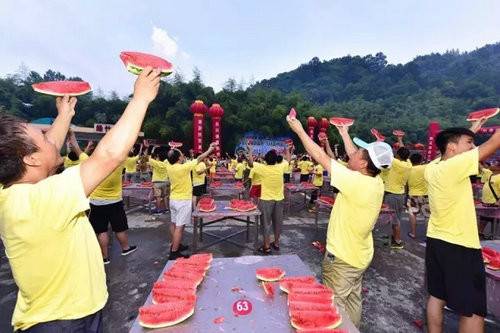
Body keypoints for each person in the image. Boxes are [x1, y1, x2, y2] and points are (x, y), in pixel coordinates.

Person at [0, 67, 161, 332]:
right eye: (42, 135)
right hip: (65, 321)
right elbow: (109, 154)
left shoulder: (12, 194)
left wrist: (65, 115)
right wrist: (140, 99)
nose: (50, 135)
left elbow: (48, 146)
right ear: (30, 159)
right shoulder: (41, 200)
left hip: (54, 314)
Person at [287, 113, 393, 328]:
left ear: (363, 163)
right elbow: (357, 156)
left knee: (334, 308)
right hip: (360, 256)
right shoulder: (376, 180)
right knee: (353, 301)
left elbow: (319, 154)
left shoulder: (354, 181)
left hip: (343, 259)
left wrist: (298, 129)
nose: (350, 155)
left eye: (357, 154)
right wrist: (344, 133)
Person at [424, 121, 500, 333]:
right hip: (460, 245)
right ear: (452, 147)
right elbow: (495, 141)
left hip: (436, 241)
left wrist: (472, 129)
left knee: (437, 296)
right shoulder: (456, 166)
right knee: (474, 310)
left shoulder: (432, 167)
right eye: (469, 143)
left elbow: (451, 149)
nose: (473, 147)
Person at [166, 143, 216, 260]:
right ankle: (174, 252)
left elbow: (170, 156)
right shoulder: (183, 167)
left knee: (174, 223)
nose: (183, 155)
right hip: (182, 200)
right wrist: (209, 149)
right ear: (179, 158)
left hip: (173, 199)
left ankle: (176, 244)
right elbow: (198, 159)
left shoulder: (169, 166)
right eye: (181, 154)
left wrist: (173, 149)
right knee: (180, 226)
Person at [88, 162, 137, 264]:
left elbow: (80, 153)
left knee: (101, 231)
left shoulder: (92, 163)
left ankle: (105, 257)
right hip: (115, 202)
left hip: (96, 202)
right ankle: (125, 248)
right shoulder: (118, 165)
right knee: (119, 228)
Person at [247, 145, 289, 254]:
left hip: (266, 200)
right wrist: (288, 149)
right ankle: (276, 243)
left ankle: (266, 246)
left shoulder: (262, 168)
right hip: (279, 199)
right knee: (278, 222)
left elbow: (251, 163)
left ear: (265, 159)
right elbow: (288, 160)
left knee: (266, 223)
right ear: (276, 160)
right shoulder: (280, 167)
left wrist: (250, 150)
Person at [382, 133, 411, 248]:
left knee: (394, 219)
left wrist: (379, 141)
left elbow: (386, 153)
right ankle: (394, 238)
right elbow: (403, 151)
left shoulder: (396, 163)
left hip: (392, 195)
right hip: (400, 195)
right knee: (396, 217)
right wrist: (400, 139)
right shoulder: (408, 164)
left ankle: (397, 241)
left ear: (398, 155)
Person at [406, 153, 428, 239]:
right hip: (426, 195)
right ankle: (428, 236)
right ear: (421, 160)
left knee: (412, 214)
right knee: (427, 215)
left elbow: (406, 184)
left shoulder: (408, 169)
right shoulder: (426, 168)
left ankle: (413, 233)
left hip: (413, 195)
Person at [147, 146, 169, 213]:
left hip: (157, 182)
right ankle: (167, 208)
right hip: (165, 181)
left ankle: (158, 210)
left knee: (158, 197)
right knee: (165, 196)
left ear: (158, 157)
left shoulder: (156, 163)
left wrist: (153, 149)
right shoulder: (166, 163)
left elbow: (149, 158)